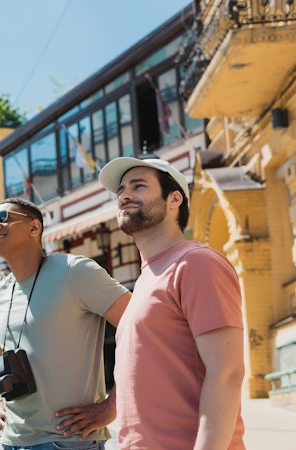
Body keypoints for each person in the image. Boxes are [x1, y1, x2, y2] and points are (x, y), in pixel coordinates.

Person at [99, 157, 246, 449]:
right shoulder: (145, 280)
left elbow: (227, 374)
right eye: (121, 191)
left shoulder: (196, 263)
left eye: (139, 186)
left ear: (174, 198)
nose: (125, 195)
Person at [0, 197, 130, 450]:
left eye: (3, 217)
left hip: (69, 442)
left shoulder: (74, 271)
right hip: (12, 442)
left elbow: (141, 326)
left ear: (34, 228)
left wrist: (112, 407)